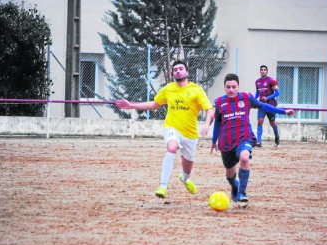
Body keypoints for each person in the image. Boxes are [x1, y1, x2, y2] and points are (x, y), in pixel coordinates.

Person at [116, 60, 214, 198]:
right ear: (172, 73)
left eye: (181, 68)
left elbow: (209, 110)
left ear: (187, 72)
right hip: (172, 128)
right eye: (175, 69)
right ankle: (163, 186)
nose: (178, 71)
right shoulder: (168, 88)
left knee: (187, 167)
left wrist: (206, 125)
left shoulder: (196, 90)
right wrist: (131, 105)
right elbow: (155, 104)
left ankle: (185, 179)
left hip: (191, 134)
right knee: (172, 147)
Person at [210, 73, 295, 203]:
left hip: (243, 138)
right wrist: (213, 141)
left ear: (238, 87)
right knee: (229, 172)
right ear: (224, 87)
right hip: (226, 142)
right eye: (228, 87)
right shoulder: (220, 102)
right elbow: (217, 122)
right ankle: (235, 187)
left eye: (234, 87)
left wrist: (284, 112)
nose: (231, 90)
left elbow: (264, 106)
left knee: (244, 158)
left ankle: (242, 193)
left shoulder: (246, 98)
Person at [254, 65, 281, 147]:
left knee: (272, 123)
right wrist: (253, 99)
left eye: (264, 70)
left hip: (271, 105)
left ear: (267, 71)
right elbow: (258, 92)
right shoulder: (257, 81)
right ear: (260, 71)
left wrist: (267, 97)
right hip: (261, 105)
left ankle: (277, 137)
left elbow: (278, 93)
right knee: (260, 122)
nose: (263, 71)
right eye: (261, 70)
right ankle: (259, 141)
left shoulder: (271, 80)